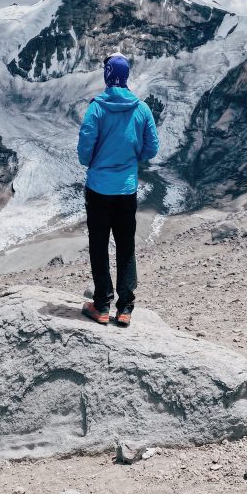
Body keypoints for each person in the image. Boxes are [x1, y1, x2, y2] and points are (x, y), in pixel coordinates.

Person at [77, 52, 159, 327]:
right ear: (126, 77)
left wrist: (99, 160)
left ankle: (101, 305)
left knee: (98, 245)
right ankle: (125, 308)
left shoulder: (97, 108)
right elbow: (152, 149)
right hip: (126, 189)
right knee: (126, 246)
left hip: (99, 189)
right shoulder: (142, 108)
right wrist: (131, 156)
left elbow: (84, 152)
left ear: (107, 75)